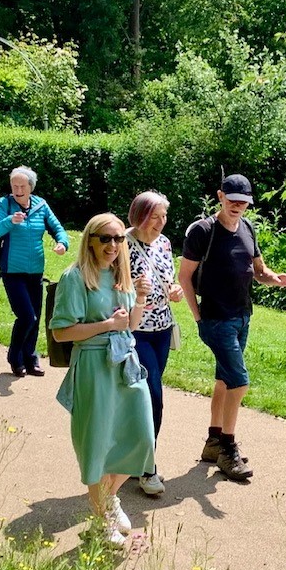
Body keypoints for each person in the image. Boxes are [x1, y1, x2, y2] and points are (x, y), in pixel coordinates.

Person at [179, 174, 286, 481]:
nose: (237, 206)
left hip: (243, 316)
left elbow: (258, 270)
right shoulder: (203, 231)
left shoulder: (247, 228)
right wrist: (198, 318)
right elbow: (184, 277)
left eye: (243, 202)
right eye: (232, 200)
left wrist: (275, 278)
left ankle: (213, 441)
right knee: (239, 382)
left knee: (224, 381)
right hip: (216, 319)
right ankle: (228, 450)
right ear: (220, 196)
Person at [50, 213, 155, 547]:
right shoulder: (76, 277)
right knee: (96, 444)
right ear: (90, 240)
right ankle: (100, 521)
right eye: (105, 239)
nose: (113, 245)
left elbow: (131, 325)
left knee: (141, 438)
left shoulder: (121, 275)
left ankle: (108, 499)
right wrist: (107, 325)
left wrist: (139, 299)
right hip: (94, 364)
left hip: (125, 362)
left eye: (118, 239)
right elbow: (62, 331)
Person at [127, 191, 184, 495]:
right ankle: (148, 468)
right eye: (155, 217)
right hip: (134, 331)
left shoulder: (163, 243)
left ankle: (133, 458)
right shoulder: (119, 242)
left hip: (162, 328)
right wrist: (131, 288)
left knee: (145, 397)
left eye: (164, 217)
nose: (160, 223)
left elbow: (169, 277)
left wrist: (175, 289)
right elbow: (105, 284)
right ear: (139, 215)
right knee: (153, 396)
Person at [0, 166, 68, 378]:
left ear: (30, 187)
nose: (17, 189)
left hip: (35, 271)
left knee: (36, 316)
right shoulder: (4, 204)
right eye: (14, 185)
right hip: (12, 271)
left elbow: (58, 228)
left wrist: (62, 243)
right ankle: (15, 357)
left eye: (22, 186)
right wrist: (10, 221)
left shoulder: (41, 205)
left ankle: (31, 358)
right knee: (26, 316)